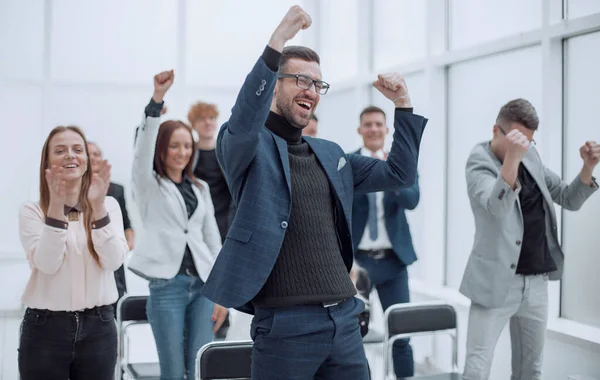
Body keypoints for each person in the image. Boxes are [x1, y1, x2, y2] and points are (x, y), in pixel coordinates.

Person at [201, 6, 427, 379]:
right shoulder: (246, 147)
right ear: (275, 83)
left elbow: (400, 174)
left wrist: (403, 104)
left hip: (344, 319)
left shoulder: (333, 154)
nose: (312, 91)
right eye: (301, 81)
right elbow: (243, 119)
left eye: (318, 84)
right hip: (285, 326)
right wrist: (277, 41)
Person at [460, 98, 599, 380]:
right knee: (477, 368)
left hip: (536, 283)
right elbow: (496, 208)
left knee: (530, 370)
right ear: (496, 130)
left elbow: (567, 198)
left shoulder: (530, 156)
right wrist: (512, 158)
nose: (524, 148)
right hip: (495, 283)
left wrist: (588, 167)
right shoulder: (479, 161)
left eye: (528, 142)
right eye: (518, 141)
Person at [128, 71, 228, 380]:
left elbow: (213, 241)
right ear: (162, 149)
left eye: (187, 146)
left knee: (201, 368)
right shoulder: (148, 185)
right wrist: (156, 102)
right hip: (167, 287)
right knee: (172, 373)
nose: (182, 152)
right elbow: (142, 151)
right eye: (174, 146)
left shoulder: (200, 189)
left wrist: (222, 292)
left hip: (203, 288)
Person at [17, 125, 128, 380]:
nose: (70, 155)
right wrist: (56, 207)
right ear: (47, 162)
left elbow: (113, 260)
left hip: (98, 328)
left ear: (87, 162)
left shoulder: (108, 205)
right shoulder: (32, 211)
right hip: (45, 330)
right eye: (60, 150)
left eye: (77, 149)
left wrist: (98, 208)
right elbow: (47, 263)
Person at [351, 105, 420, 378]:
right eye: (368, 124)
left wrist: (390, 170)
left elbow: (412, 200)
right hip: (357, 265)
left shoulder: (401, 162)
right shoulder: (350, 162)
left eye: (379, 124)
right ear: (360, 130)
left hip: (393, 262)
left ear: (387, 129)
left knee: (401, 335)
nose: (374, 129)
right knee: (354, 336)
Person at [188, 101, 234, 339]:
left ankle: (216, 342)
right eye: (202, 118)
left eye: (211, 118)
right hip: (196, 235)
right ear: (194, 124)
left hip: (224, 233)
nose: (208, 122)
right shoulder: (187, 156)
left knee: (221, 292)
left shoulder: (225, 153)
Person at [87, 141, 134, 311]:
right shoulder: (74, 190)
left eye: (96, 154)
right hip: (88, 252)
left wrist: (126, 245)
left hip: (111, 248)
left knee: (115, 298)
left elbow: (127, 223)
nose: (92, 157)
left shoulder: (116, 190)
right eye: (87, 153)